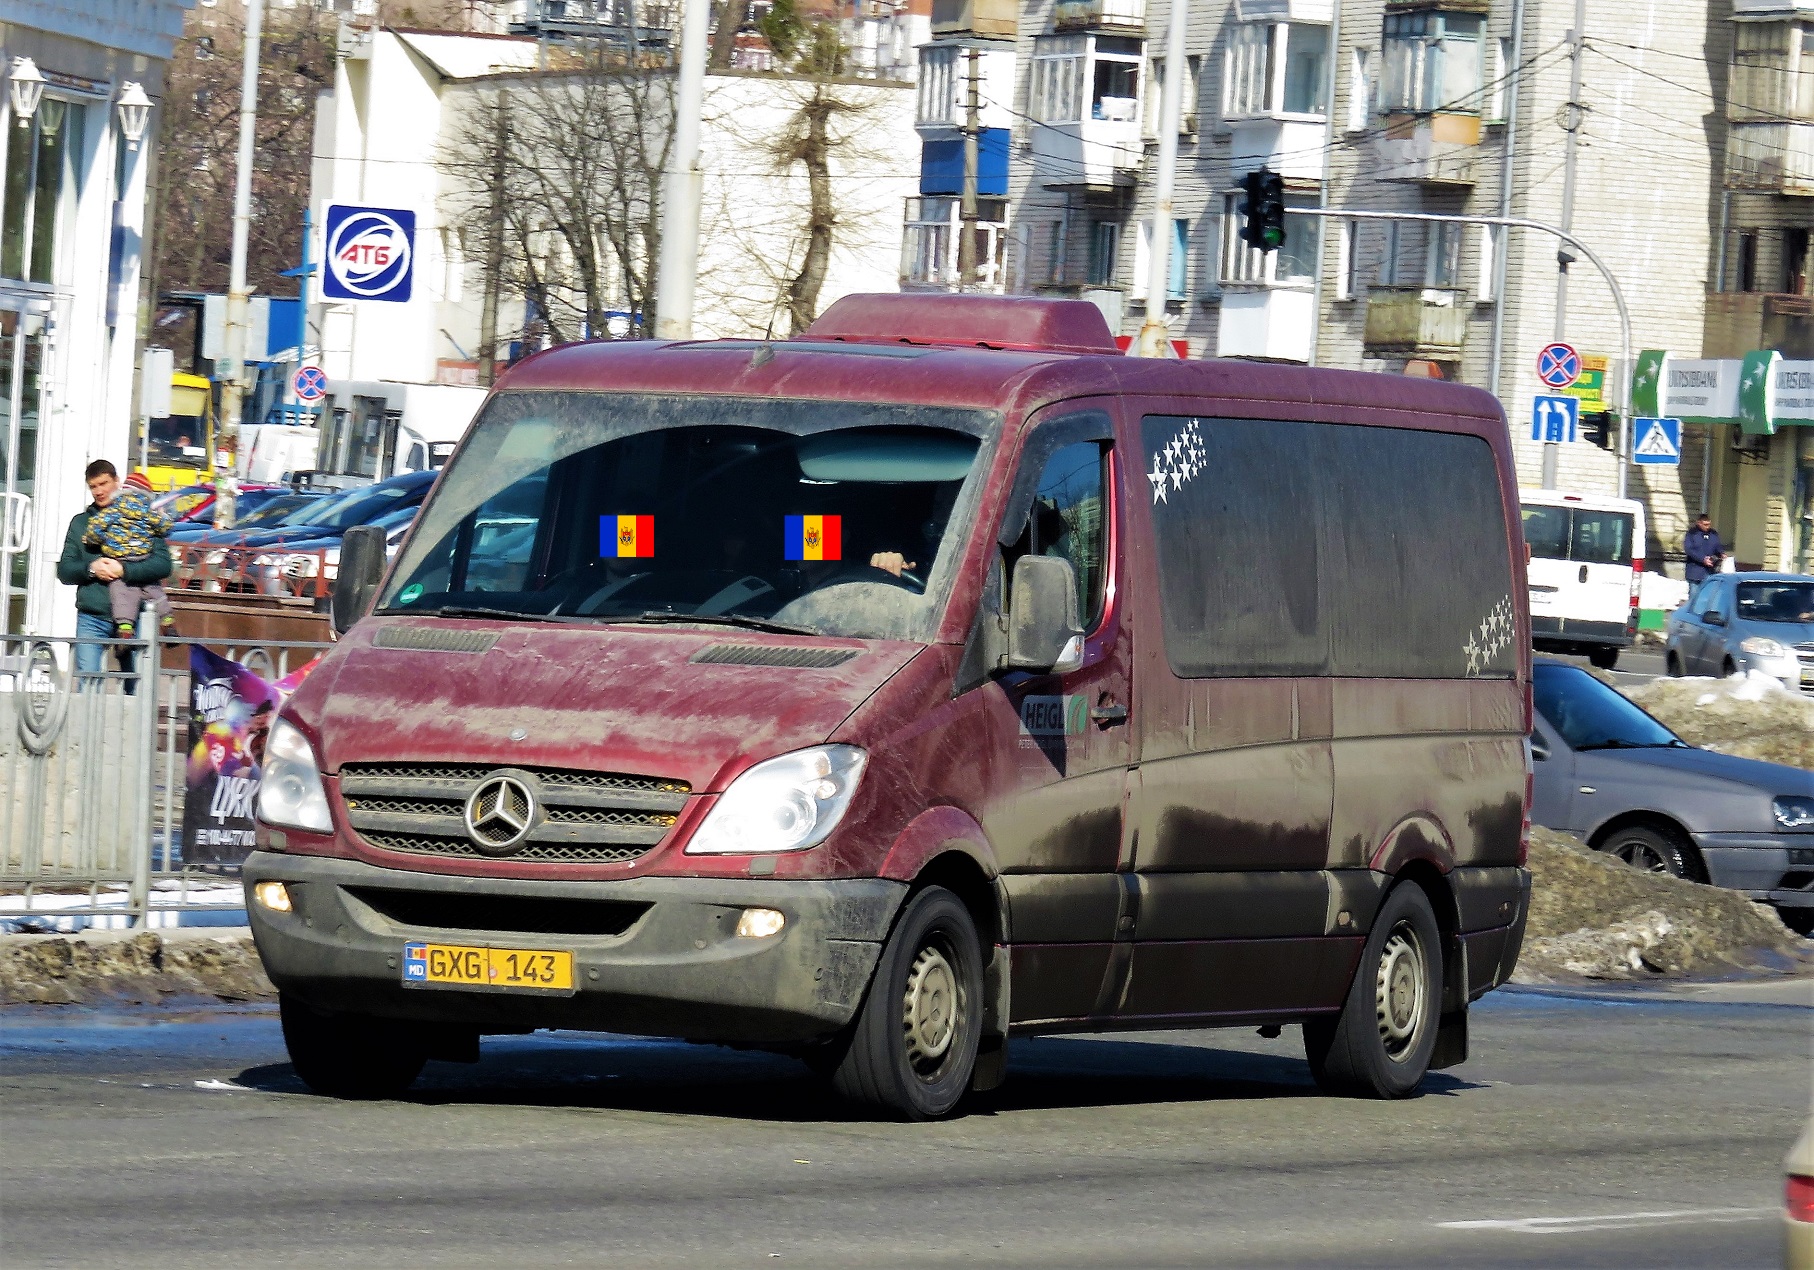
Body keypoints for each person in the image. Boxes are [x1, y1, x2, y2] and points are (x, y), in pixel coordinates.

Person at [56, 460, 174, 678]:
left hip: (135, 617)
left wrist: (124, 570)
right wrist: (92, 568)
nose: (99, 491)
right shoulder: (81, 523)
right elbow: (65, 570)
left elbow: (163, 565)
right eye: (93, 486)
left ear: (117, 482)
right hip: (92, 616)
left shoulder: (141, 518)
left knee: (136, 687)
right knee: (88, 685)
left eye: (104, 483)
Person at [81, 469, 178, 637]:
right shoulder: (148, 512)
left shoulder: (114, 510)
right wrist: (163, 518)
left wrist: (91, 540)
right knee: (154, 589)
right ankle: (168, 621)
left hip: (120, 556)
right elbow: (166, 527)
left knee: (121, 593)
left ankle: (125, 628)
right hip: (143, 555)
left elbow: (96, 527)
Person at [1684, 512, 1724, 592]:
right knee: (1694, 598)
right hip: (1695, 572)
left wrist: (1721, 553)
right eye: (1705, 525)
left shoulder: (1713, 533)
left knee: (1708, 597)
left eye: (1709, 524)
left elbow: (1717, 545)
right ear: (1699, 523)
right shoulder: (1692, 534)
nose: (1708, 527)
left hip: (1711, 572)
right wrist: (1703, 559)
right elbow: (1689, 549)